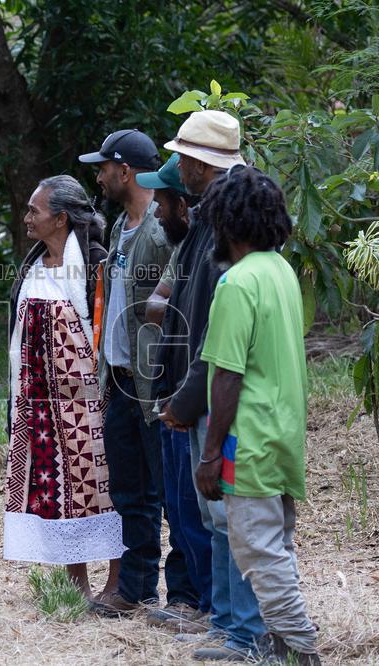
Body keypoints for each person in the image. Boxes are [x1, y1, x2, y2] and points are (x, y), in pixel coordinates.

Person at [195, 165, 319, 665]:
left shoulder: (237, 283)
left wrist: (208, 456)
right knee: (276, 545)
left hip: (248, 439)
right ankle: (281, 644)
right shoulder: (280, 270)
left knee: (256, 550)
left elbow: (227, 376)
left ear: (227, 223)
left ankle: (302, 648)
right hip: (284, 433)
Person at [156, 110, 266, 661]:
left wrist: (194, 394)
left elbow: (220, 332)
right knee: (215, 517)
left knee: (229, 519)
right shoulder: (207, 220)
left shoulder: (231, 226)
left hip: (223, 392)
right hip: (204, 387)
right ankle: (226, 624)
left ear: (200, 162)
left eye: (182, 156)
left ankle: (243, 633)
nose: (176, 166)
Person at [79, 129, 190, 616]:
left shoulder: (165, 230)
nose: (99, 175)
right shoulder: (118, 227)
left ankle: (186, 596)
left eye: (104, 167)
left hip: (158, 383)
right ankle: (137, 588)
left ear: (125, 171)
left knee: (173, 493)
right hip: (120, 380)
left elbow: (183, 302)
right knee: (129, 491)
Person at [3, 175, 122, 597]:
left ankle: (117, 582)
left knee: (100, 487)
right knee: (57, 487)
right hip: (39, 407)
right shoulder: (33, 265)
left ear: (62, 218)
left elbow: (109, 331)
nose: (27, 217)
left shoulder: (95, 264)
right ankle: (76, 582)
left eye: (35, 211)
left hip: (90, 404)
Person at [136, 154, 214, 632]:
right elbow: (153, 304)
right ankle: (198, 602)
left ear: (182, 204)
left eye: (162, 202)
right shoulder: (184, 249)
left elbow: (176, 310)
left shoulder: (207, 249)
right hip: (171, 390)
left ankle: (213, 608)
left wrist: (174, 305)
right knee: (181, 510)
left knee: (201, 514)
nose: (156, 210)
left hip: (194, 394)